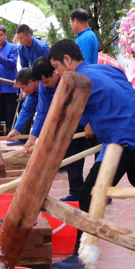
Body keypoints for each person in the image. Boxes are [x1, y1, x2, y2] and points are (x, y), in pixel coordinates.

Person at [46, 40, 135, 269]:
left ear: (67, 59)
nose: (57, 72)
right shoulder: (104, 68)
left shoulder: (77, 81)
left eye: (57, 66)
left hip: (125, 141)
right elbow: (118, 94)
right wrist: (92, 121)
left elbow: (67, 118)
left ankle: (80, 253)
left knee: (88, 194)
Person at [24, 57, 94, 202]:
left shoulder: (73, 79)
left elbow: (90, 100)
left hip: (90, 119)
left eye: (46, 81)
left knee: (99, 154)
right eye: (41, 83)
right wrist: (33, 137)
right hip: (71, 122)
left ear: (55, 73)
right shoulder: (45, 87)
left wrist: (91, 122)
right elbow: (43, 111)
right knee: (71, 153)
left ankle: (100, 192)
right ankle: (75, 191)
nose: (45, 85)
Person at [8, 68, 39, 140]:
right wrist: (15, 130)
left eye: (23, 88)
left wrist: (33, 136)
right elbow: (26, 110)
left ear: (30, 82)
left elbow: (42, 113)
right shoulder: (32, 93)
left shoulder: (44, 88)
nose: (23, 91)